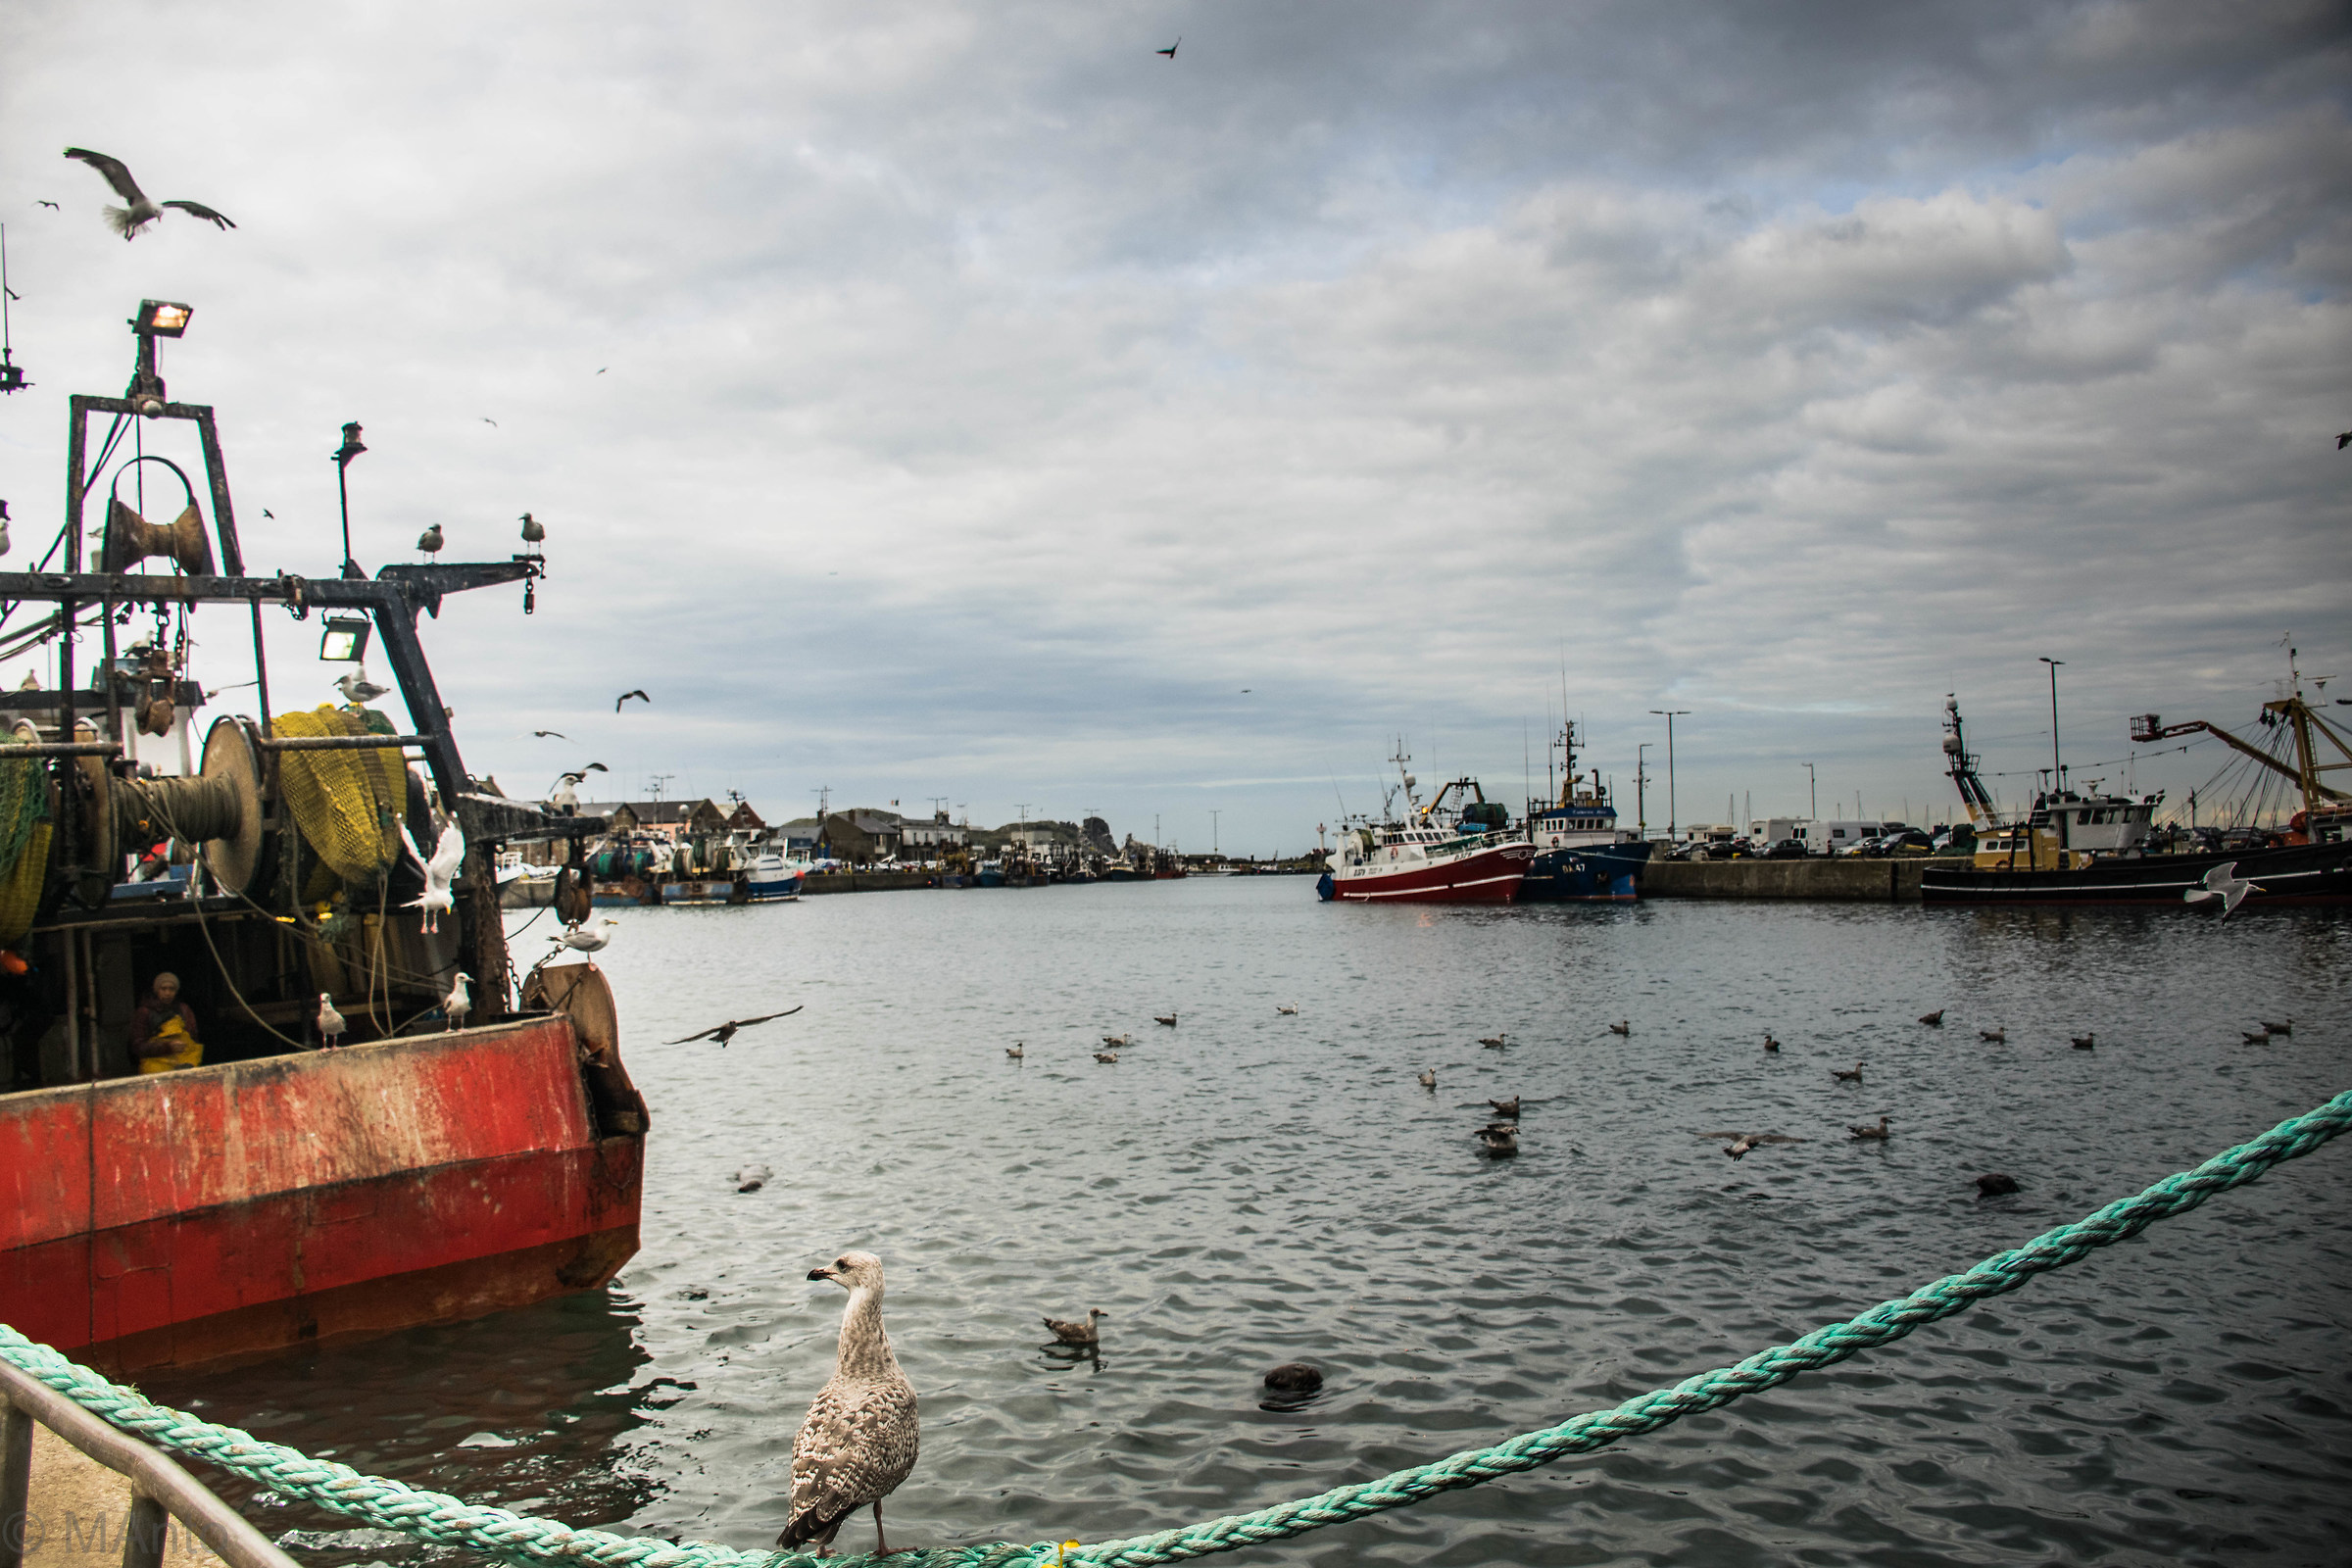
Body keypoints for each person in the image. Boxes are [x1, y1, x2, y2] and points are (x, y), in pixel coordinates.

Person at [129, 971, 202, 1073]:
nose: (167, 993)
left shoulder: (184, 1009)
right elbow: (137, 1046)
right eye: (163, 989)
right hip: (156, 1069)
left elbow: (194, 1041)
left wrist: (190, 1062)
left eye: (171, 989)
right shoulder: (144, 1012)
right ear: (156, 990)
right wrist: (167, 1047)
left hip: (183, 1065)